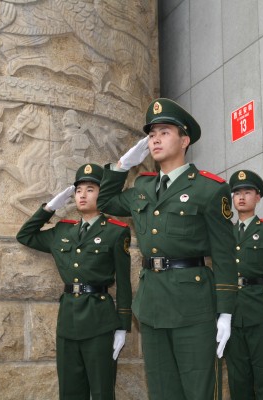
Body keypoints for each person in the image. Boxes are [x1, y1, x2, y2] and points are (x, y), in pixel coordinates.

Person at [96, 98, 237, 400]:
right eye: (151, 134)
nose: (155, 139)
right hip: (152, 305)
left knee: (199, 390)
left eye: (164, 132)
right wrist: (122, 166)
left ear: (185, 140)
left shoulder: (209, 189)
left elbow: (225, 254)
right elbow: (104, 202)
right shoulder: (142, 188)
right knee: (162, 391)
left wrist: (226, 311)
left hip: (194, 306)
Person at [17, 163, 132, 400]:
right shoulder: (62, 231)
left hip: (99, 320)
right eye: (78, 190)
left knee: (102, 391)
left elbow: (123, 282)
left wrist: (122, 326)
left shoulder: (115, 231)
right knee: (69, 391)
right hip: (68, 320)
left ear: (102, 193)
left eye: (90, 189)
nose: (82, 195)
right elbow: (25, 235)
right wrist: (49, 208)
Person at [225, 170, 263, 400]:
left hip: (261, 310)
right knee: (237, 377)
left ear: (258, 197)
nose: (241, 197)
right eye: (237, 193)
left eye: (247, 192)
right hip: (232, 312)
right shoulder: (225, 233)